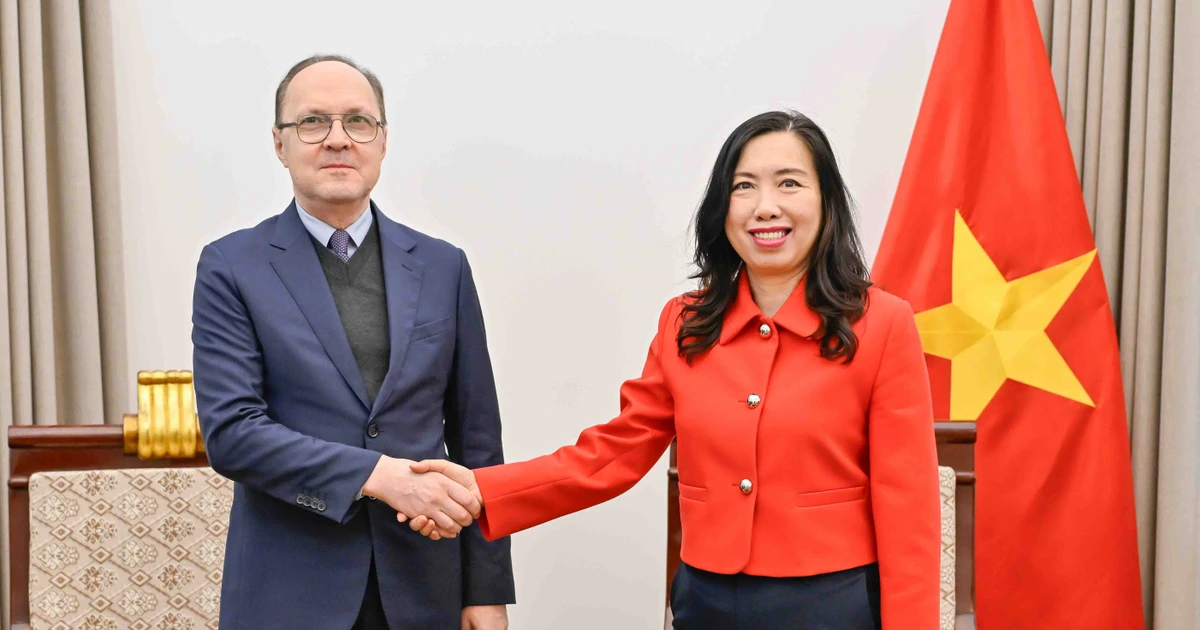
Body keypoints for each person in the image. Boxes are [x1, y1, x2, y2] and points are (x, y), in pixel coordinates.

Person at [408, 111, 940, 629]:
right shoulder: (685, 322)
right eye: (744, 186)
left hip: (833, 601)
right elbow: (613, 454)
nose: (765, 206)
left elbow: (908, 511)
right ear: (721, 206)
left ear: (826, 202)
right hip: (706, 600)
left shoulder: (882, 323)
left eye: (790, 183)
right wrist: (481, 491)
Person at [191, 55, 513, 630]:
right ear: (279, 144)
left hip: (426, 585)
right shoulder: (231, 267)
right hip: (289, 589)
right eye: (313, 122)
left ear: (383, 142)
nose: (338, 139)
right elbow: (233, 433)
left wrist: (484, 590)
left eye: (358, 122)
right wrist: (381, 477)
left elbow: (477, 440)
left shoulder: (443, 266)